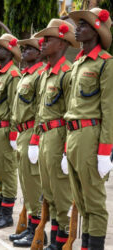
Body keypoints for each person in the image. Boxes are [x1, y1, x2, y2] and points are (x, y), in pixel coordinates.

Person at [65, 8, 113, 250]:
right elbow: (71, 108)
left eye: (82, 25)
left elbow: (109, 110)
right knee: (81, 200)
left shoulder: (105, 64)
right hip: (73, 135)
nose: (77, 28)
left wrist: (105, 151)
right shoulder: (78, 64)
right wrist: (66, 146)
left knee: (93, 200)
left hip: (90, 136)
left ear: (95, 31)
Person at [33, 19, 79, 249]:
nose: (42, 42)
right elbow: (39, 112)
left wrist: (66, 151)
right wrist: (34, 140)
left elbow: (72, 114)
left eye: (48, 39)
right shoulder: (46, 73)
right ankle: (51, 240)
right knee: (48, 193)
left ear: (61, 43)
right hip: (43, 137)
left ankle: (62, 243)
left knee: (61, 196)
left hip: (59, 137)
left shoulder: (67, 74)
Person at [10, 36, 45, 247]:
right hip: (22, 133)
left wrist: (35, 139)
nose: (23, 53)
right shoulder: (26, 75)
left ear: (39, 53)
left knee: (33, 185)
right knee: (26, 184)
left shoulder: (39, 75)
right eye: (23, 49)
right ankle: (31, 228)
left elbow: (41, 110)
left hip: (32, 131)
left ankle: (38, 232)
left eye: (28, 49)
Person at [0, 34, 21, 229]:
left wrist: (14, 133)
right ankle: (0, 209)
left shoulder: (13, 75)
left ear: (9, 51)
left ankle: (7, 215)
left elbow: (14, 106)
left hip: (5, 131)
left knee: (7, 172)